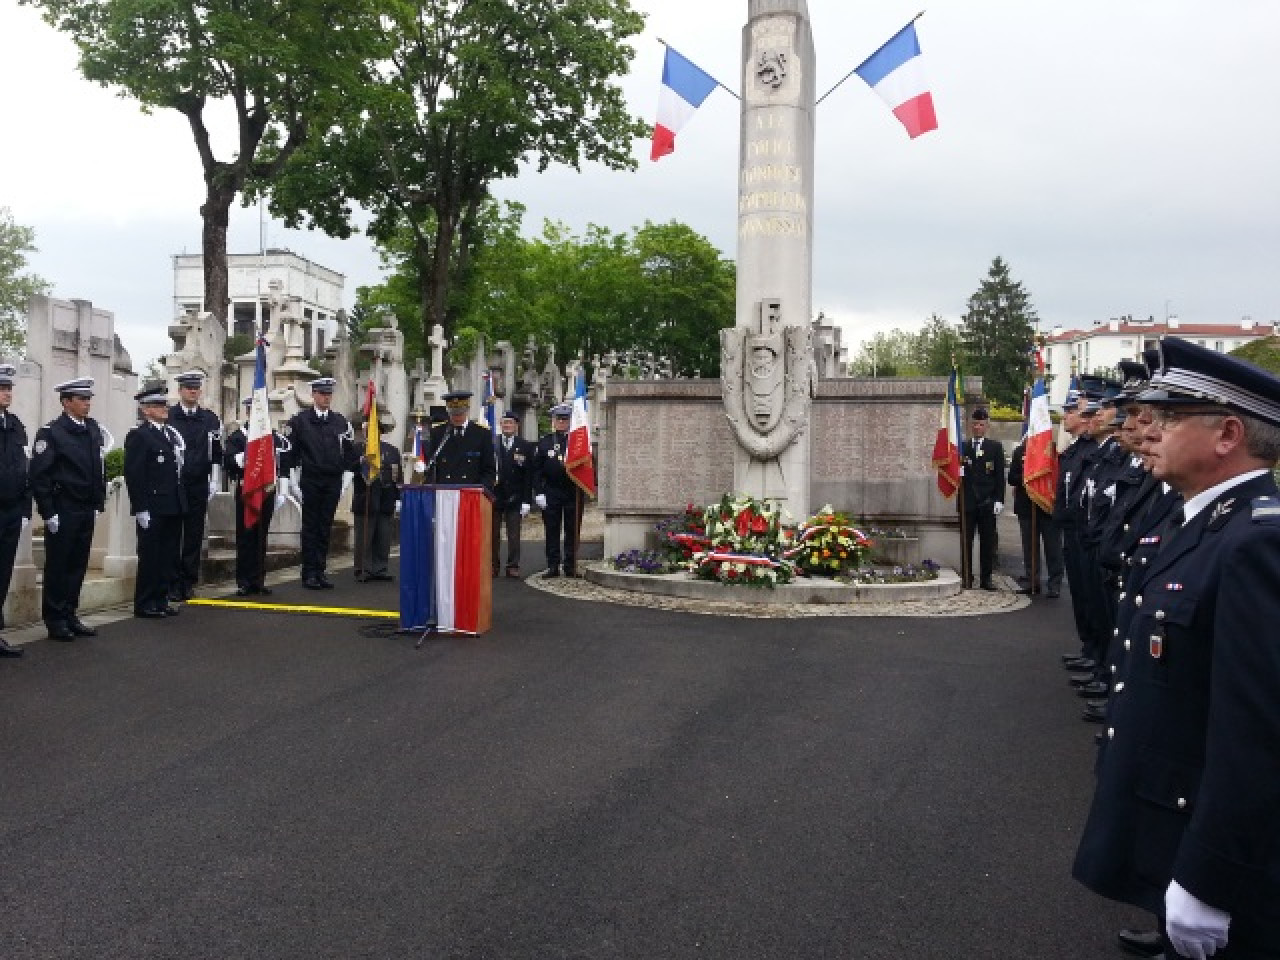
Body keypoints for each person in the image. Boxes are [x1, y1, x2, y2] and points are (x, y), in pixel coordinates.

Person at [1072, 337, 1280, 960]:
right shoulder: (1203, 523)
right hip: (1170, 814)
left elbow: (1255, 732)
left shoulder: (1255, 542)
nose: (1150, 430)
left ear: (1228, 435)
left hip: (1214, 849)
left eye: (1171, 416)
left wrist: (1210, 877)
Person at [29, 377, 107, 641]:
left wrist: (98, 502)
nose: (87, 403)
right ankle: (55, 619)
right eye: (81, 399)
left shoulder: (92, 428)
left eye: (88, 399)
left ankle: (70, 613)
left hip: (86, 507)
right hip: (63, 507)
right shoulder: (52, 432)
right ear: (66, 402)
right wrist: (48, 512)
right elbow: (40, 475)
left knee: (78, 564)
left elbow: (98, 468)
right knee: (59, 565)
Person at [281, 377, 359, 590]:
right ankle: (309, 573)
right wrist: (290, 483)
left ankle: (320, 571)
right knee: (310, 527)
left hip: (332, 480)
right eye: (322, 393)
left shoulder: (340, 422)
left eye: (329, 394)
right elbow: (290, 454)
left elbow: (349, 455)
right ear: (313, 394)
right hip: (310, 480)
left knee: (325, 527)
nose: (326, 397)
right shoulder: (300, 421)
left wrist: (345, 481)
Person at [123, 383, 186, 618]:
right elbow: (135, 474)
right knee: (150, 556)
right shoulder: (140, 435)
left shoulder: (169, 434)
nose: (164, 408)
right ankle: (145, 602)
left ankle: (161, 598)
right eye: (158, 405)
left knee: (167, 556)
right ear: (146, 409)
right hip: (153, 506)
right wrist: (140, 508)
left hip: (172, 504)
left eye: (164, 404)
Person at [223, 398, 292, 596]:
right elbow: (228, 461)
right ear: (247, 412)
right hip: (247, 491)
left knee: (261, 536)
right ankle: (244, 581)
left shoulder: (274, 437)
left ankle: (258, 579)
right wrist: (246, 455)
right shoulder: (238, 437)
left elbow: (283, 463)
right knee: (246, 536)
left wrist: (283, 490)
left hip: (267, 491)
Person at [166, 369, 222, 601]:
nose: (193, 391)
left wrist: (215, 479)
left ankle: (188, 582)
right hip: (174, 484)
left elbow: (216, 452)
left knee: (193, 534)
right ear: (180, 390)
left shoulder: (210, 419)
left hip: (198, 483)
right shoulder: (169, 416)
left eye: (196, 388)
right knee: (172, 535)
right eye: (189, 388)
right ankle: (171, 583)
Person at [1006, 437, 1064, 596]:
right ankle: (1032, 580)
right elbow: (1011, 478)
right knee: (1029, 547)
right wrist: (1028, 476)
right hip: (1026, 506)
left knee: (1053, 547)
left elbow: (1058, 476)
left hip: (1048, 506)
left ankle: (1054, 584)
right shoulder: (1020, 451)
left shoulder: (1051, 450)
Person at [0, 364, 31, 657]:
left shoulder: (15, 424)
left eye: (8, 388)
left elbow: (24, 469)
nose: (7, 393)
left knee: (2, 574)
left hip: (10, 511)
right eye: (2, 388)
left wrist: (24, 508)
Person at [533, 403, 582, 578]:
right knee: (552, 530)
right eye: (559, 419)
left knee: (572, 530)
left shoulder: (578, 442)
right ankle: (553, 565)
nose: (562, 422)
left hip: (573, 491)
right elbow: (536, 470)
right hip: (551, 491)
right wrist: (539, 492)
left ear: (570, 421)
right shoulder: (545, 442)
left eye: (565, 419)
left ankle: (570, 565)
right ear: (553, 421)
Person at [960, 406, 1005, 589]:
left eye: (981, 424)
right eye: (975, 424)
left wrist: (999, 500)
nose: (977, 427)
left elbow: (999, 476)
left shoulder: (994, 447)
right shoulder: (963, 447)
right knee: (966, 541)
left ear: (987, 426)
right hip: (968, 502)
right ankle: (967, 576)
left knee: (987, 542)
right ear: (971, 426)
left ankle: (986, 578)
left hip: (987, 502)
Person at [352, 415, 401, 582]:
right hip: (365, 498)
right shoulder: (358, 449)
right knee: (364, 537)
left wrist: (398, 498)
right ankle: (363, 569)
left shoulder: (392, 450)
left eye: (374, 430)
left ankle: (380, 568)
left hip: (386, 498)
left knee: (383, 536)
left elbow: (397, 475)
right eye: (367, 430)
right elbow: (350, 467)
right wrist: (362, 461)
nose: (370, 433)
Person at [422, 390, 496, 488]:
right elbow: (431, 466)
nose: (457, 418)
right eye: (453, 414)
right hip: (445, 491)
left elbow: (489, 470)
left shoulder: (482, 433)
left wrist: (481, 490)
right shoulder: (438, 432)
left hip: (471, 492)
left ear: (467, 410)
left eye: (460, 414)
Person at [492, 410, 533, 578]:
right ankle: (493, 565)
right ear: (500, 424)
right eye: (504, 422)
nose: (507, 425)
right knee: (492, 534)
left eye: (510, 423)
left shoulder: (525, 446)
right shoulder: (492, 443)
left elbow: (528, 475)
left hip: (515, 496)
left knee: (514, 535)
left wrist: (527, 500)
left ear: (516, 426)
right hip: (494, 495)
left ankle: (513, 566)